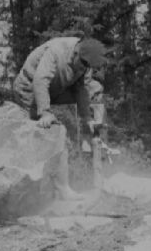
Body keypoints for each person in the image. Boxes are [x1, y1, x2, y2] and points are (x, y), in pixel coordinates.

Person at [12, 35, 107, 198]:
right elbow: (40, 80)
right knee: (52, 132)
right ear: (76, 53)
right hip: (29, 89)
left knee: (95, 89)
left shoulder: (84, 63)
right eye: (84, 64)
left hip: (54, 90)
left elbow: (81, 90)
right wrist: (45, 113)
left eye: (88, 66)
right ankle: (54, 189)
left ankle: (94, 169)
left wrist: (87, 118)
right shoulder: (56, 51)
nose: (85, 69)